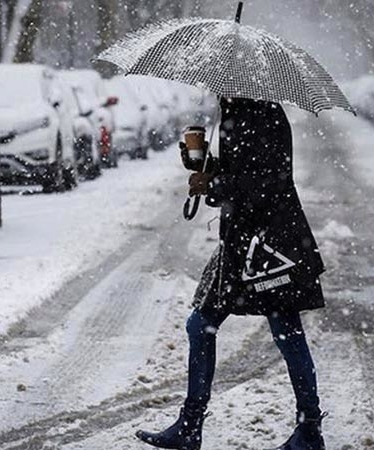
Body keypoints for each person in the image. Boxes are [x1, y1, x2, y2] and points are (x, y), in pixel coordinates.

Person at [136, 97, 327, 450]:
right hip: (243, 241)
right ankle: (190, 426)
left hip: (270, 246)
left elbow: (265, 183)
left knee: (287, 332)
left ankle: (310, 430)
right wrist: (203, 163)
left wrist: (213, 185)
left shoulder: (262, 113)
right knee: (201, 324)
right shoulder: (237, 110)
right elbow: (243, 171)